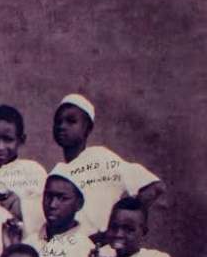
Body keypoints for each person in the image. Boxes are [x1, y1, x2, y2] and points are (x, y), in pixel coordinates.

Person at [49, 94, 165, 239]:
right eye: (58, 122)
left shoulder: (99, 157)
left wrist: (114, 230)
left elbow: (155, 187)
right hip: (72, 253)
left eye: (71, 121)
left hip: (101, 252)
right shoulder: (57, 173)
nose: (62, 126)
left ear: (88, 128)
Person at [0, 105, 48, 238]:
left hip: (18, 251)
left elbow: (47, 217)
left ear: (21, 140)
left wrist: (21, 207)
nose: (0, 147)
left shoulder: (33, 171)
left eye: (8, 139)